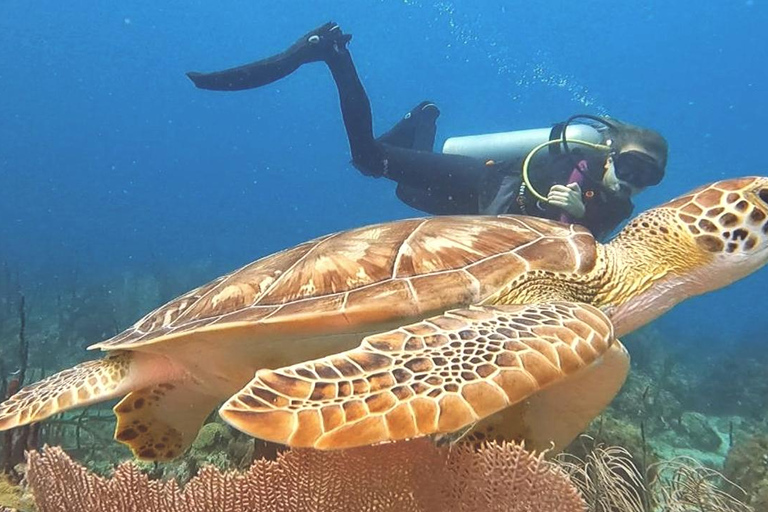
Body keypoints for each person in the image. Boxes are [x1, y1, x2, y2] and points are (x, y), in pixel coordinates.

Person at [187, 22, 668, 241]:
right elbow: (530, 194)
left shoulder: (619, 206)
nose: (631, 181)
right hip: (484, 183)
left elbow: (585, 242)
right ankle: (331, 52)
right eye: (628, 166)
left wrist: (584, 215)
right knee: (370, 160)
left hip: (480, 217)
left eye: (647, 178)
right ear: (610, 155)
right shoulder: (575, 158)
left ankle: (424, 116)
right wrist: (567, 202)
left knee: (403, 192)